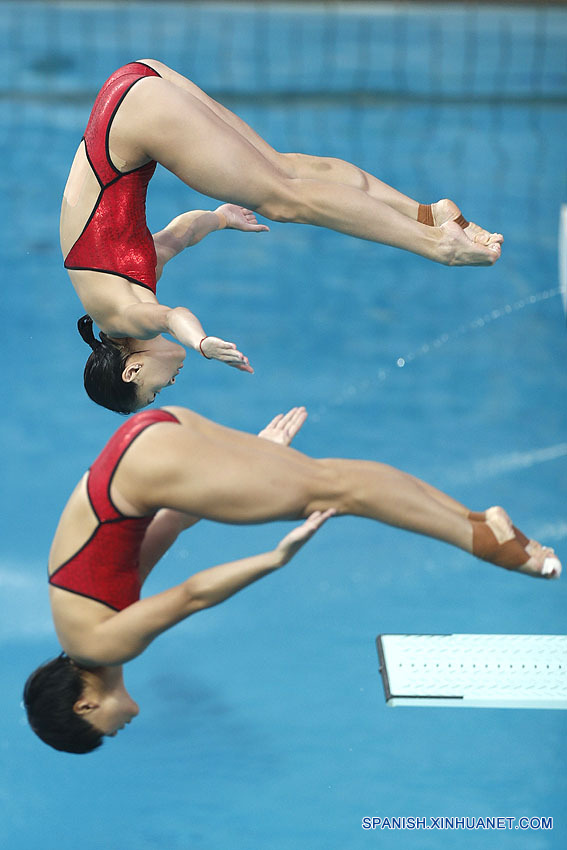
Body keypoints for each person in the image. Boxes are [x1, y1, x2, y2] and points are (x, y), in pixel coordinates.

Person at [24, 405, 560, 753]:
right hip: (149, 438)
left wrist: (273, 559)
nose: (115, 733)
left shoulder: (98, 640)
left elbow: (191, 596)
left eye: (100, 736)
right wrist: (245, 463)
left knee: (339, 493)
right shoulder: (84, 618)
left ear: (84, 708)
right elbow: (161, 528)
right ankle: (478, 526)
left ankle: (486, 543)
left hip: (150, 467)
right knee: (336, 480)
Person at [61, 59, 504, 413]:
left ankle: (439, 245)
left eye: (154, 393)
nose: (167, 387)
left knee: (285, 201)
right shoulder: (115, 292)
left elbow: (172, 316)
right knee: (285, 170)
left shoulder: (123, 318)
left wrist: (200, 343)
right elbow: (179, 234)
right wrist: (219, 218)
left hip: (136, 118)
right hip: (133, 82)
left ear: (132, 372)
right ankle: (428, 214)